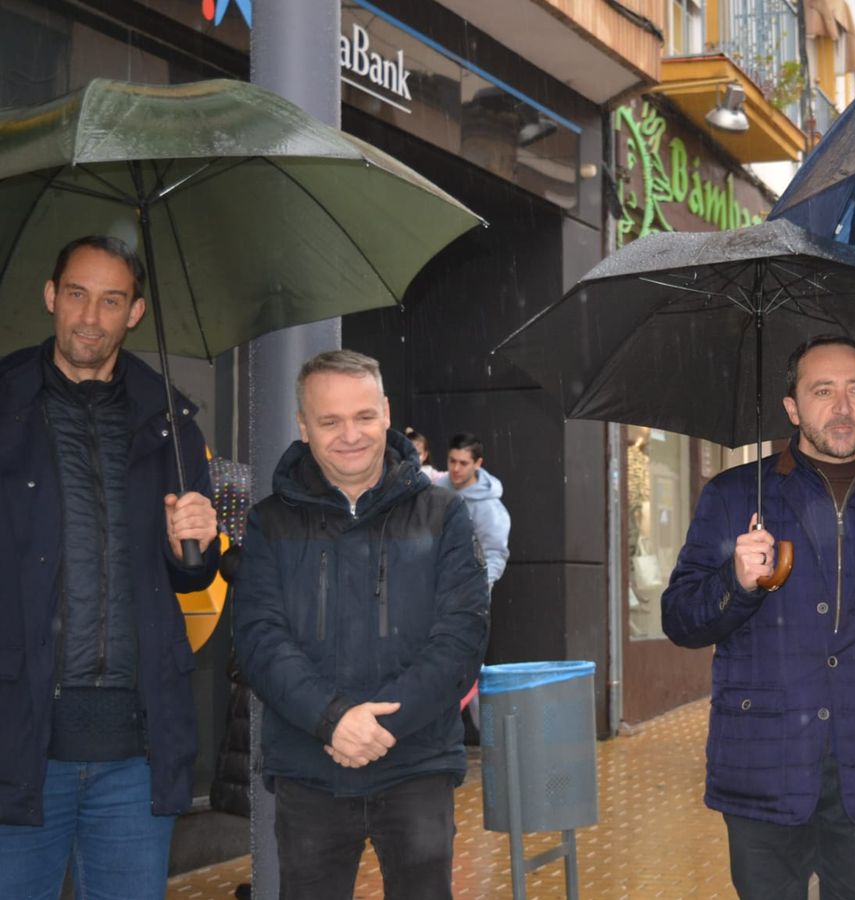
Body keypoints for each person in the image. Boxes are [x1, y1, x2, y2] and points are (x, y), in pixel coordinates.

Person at [661, 335, 855, 900]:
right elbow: (680, 619)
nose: (841, 406)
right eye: (822, 391)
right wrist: (736, 582)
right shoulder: (733, 495)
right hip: (762, 764)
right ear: (793, 408)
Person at [0, 235, 220, 899]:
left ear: (135, 312)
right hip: (18, 741)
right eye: (77, 295)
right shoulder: (4, 404)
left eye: (111, 299)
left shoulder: (170, 420)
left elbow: (187, 576)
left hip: (136, 752)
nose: (90, 316)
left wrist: (200, 541)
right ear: (50, 297)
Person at [233, 349, 489, 900]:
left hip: (415, 763)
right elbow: (259, 641)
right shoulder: (269, 522)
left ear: (387, 412)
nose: (350, 434)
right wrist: (333, 720)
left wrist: (383, 726)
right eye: (330, 421)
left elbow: (461, 639)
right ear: (304, 426)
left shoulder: (443, 515)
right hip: (310, 766)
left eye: (363, 416)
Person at [446, 432, 511, 589]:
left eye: (463, 463)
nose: (455, 468)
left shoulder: (489, 508)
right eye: (452, 461)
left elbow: (494, 554)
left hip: (465, 594)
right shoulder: (435, 490)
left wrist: (477, 589)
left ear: (477, 463)